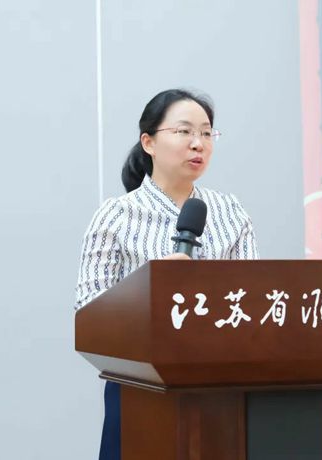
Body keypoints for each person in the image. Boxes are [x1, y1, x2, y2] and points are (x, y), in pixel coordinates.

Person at [74, 88, 259, 460]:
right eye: (184, 131)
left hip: (220, 386)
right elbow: (88, 313)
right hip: (140, 388)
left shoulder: (230, 212)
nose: (198, 143)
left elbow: (252, 302)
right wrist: (151, 287)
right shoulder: (116, 216)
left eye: (206, 133)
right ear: (149, 142)